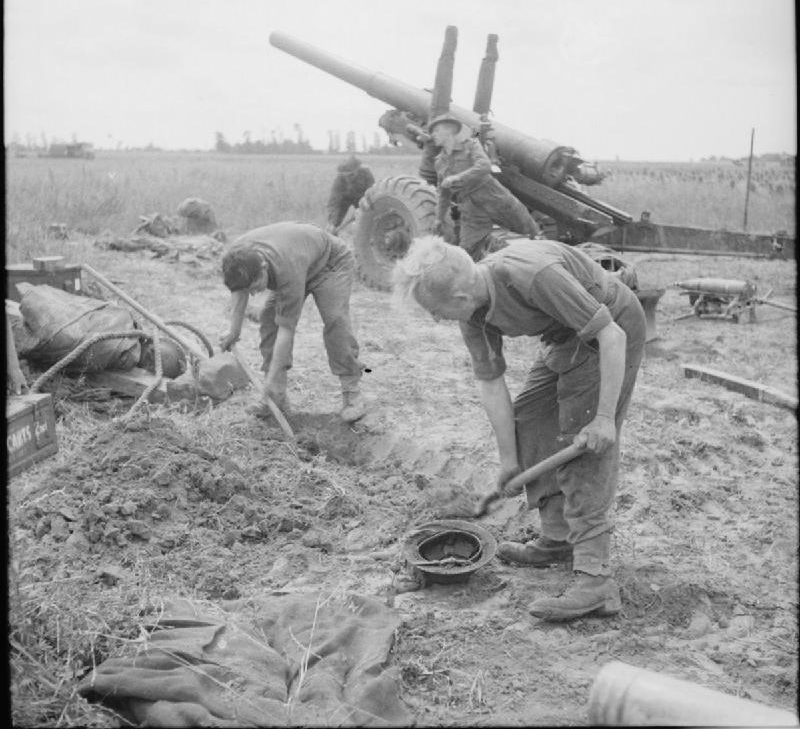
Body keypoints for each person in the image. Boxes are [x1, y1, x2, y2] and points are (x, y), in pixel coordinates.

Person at [393, 235, 646, 621]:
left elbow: (612, 335)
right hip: (565, 337)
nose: (435, 319)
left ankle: (596, 580)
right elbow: (492, 384)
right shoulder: (473, 313)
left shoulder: (532, 275)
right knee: (528, 418)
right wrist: (509, 462)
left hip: (611, 328)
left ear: (459, 297)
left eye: (436, 311)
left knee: (585, 445)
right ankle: (558, 539)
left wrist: (604, 418)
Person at [219, 221, 367, 422]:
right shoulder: (237, 258)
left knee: (335, 319)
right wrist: (233, 332)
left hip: (331, 263)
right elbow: (239, 290)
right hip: (302, 259)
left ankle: (352, 393)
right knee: (268, 319)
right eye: (249, 290)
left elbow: (286, 332)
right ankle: (275, 398)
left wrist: (269, 378)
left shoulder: (286, 269)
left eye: (255, 286)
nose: (253, 294)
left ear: (263, 268)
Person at [427, 113, 540, 260]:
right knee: (468, 250)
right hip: (470, 208)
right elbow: (444, 194)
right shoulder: (439, 162)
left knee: (529, 230)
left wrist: (458, 177)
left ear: (449, 131)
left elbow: (485, 165)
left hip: (493, 196)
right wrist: (439, 218)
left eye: (436, 131)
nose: (432, 135)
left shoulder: (471, 144)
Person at [326, 155, 375, 234]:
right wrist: (332, 222)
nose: (348, 178)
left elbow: (372, 192)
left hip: (362, 198)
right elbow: (334, 202)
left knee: (367, 220)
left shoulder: (366, 174)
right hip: (345, 199)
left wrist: (365, 203)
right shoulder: (339, 180)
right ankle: (332, 239)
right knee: (333, 225)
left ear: (357, 169)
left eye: (351, 175)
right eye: (345, 176)